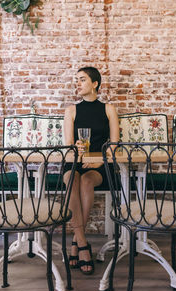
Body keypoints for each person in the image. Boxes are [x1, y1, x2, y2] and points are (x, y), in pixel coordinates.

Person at [64, 66, 119, 275]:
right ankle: (82, 242)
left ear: (95, 83)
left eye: (82, 80)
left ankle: (76, 243)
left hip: (100, 164)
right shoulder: (71, 110)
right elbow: (68, 146)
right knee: (72, 179)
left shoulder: (108, 109)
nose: (77, 83)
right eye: (76, 80)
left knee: (87, 180)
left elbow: (114, 144)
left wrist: (100, 162)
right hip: (75, 162)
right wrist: (75, 149)